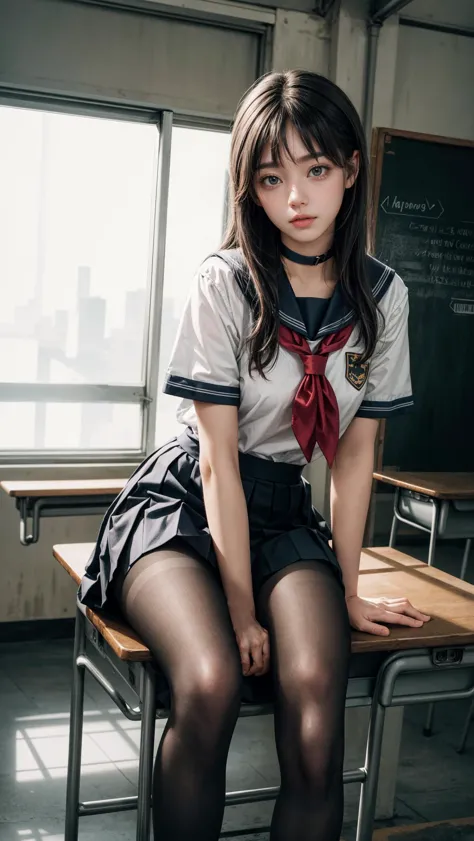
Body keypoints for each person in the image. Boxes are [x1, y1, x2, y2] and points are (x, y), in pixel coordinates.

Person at [79, 70, 430, 841]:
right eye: (272, 178)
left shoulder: (383, 295)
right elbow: (215, 459)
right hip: (184, 504)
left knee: (314, 703)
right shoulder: (227, 281)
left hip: (279, 506)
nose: (295, 197)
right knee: (210, 682)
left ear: (350, 170)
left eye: (315, 170)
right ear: (251, 188)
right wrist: (241, 609)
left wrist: (345, 586)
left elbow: (353, 454)